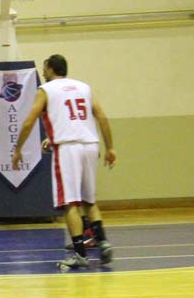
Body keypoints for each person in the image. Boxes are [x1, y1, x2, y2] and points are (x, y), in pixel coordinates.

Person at [12, 54, 116, 270]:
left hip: (68, 149)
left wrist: (18, 149)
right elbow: (101, 117)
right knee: (89, 201)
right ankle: (103, 242)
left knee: (70, 203)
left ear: (51, 69)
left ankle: (80, 254)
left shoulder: (46, 90)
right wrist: (110, 148)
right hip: (90, 145)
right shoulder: (84, 87)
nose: (43, 72)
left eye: (44, 68)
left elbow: (29, 121)